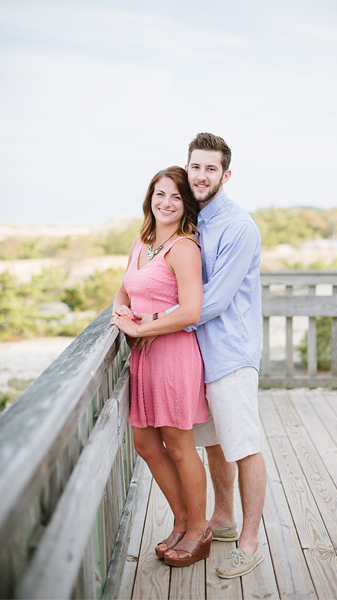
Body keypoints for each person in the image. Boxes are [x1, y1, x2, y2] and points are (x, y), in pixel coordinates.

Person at [133, 133, 266, 578]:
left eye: (211, 168)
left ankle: (249, 541)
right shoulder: (196, 220)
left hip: (229, 353)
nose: (201, 175)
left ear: (226, 174)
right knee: (212, 443)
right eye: (195, 167)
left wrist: (151, 323)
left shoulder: (239, 227)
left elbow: (213, 301)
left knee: (243, 446)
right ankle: (222, 519)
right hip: (196, 354)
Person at [111, 166, 211, 567]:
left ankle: (199, 528)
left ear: (186, 204)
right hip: (144, 358)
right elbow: (125, 289)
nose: (166, 203)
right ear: (150, 197)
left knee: (179, 445)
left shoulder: (184, 247)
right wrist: (121, 310)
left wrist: (142, 326)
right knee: (146, 443)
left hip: (172, 356)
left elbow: (191, 310)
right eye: (160, 194)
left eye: (176, 197)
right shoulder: (143, 242)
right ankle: (182, 518)